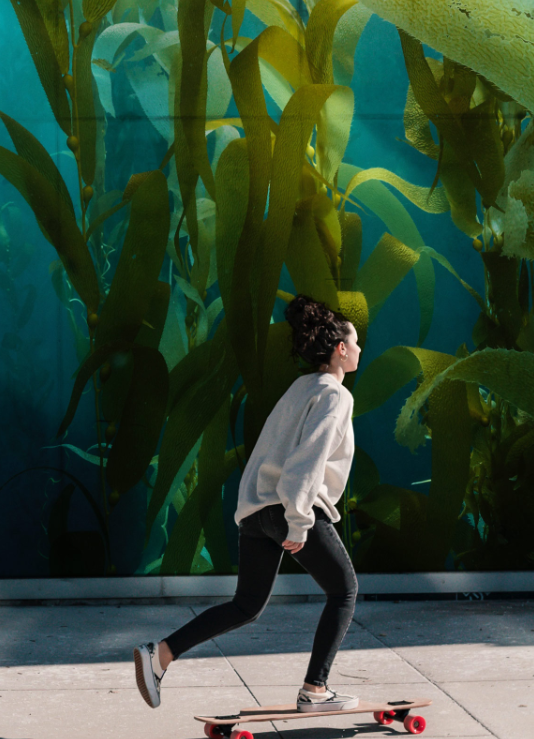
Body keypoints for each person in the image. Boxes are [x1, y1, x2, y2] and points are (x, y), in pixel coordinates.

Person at [133, 295, 362, 712]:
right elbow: (306, 461)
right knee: (345, 591)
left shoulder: (300, 388)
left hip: (256, 510)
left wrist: (259, 510)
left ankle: (161, 654)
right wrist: (297, 521)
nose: (360, 350)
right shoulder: (334, 396)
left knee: (246, 605)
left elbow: (267, 451)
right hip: (290, 509)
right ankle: (315, 690)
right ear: (341, 349)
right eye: (356, 343)